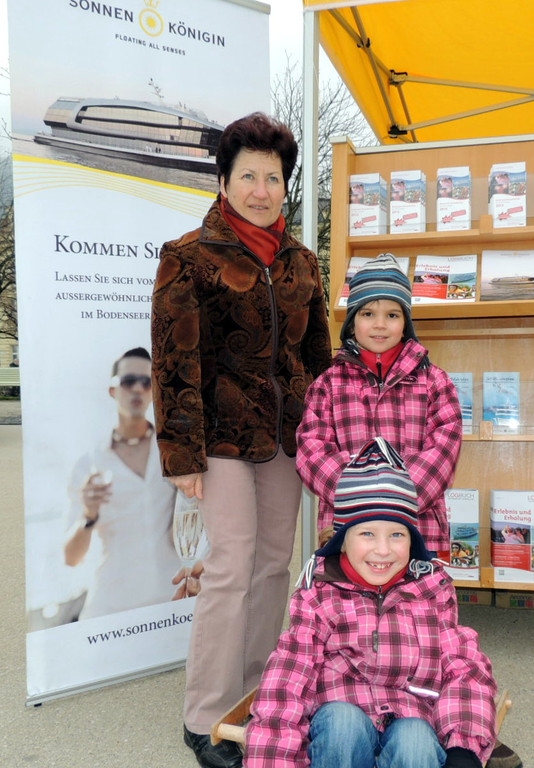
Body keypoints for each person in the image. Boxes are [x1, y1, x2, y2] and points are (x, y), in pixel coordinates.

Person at [151, 112, 333, 768]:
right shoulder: (188, 257)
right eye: (248, 175)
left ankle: (256, 692)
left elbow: (319, 361)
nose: (261, 189)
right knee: (230, 565)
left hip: (286, 439)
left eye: (273, 178)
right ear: (224, 181)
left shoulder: (302, 264)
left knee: (273, 563)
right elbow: (173, 362)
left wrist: (325, 439)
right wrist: (182, 454)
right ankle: (204, 715)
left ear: (286, 185)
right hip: (219, 438)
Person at [245, 437, 521, 768]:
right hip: (339, 717)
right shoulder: (320, 594)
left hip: (411, 715)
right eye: (367, 534)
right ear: (341, 541)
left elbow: (464, 668)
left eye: (397, 534)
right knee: (342, 725)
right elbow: (289, 675)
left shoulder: (431, 591)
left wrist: (464, 748)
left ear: (412, 541)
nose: (383, 550)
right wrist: (273, 758)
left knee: (415, 742)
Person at [296, 252, 463, 557]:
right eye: (368, 313)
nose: (380, 325)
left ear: (406, 322)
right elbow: (312, 453)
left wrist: (393, 500)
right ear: (352, 322)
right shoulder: (327, 384)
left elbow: (442, 455)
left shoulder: (436, 383)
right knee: (347, 592)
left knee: (418, 591)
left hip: (419, 533)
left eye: (392, 315)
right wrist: (359, 499)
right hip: (344, 534)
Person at [63, 347, 181, 619]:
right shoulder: (89, 464)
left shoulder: (174, 452)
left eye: (147, 382)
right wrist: (88, 515)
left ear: (154, 391)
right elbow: (71, 558)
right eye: (129, 381)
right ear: (112, 390)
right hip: (110, 608)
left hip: (172, 602)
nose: (138, 389)